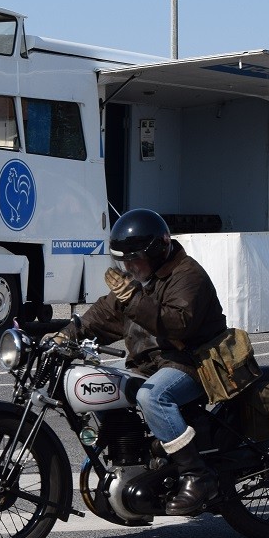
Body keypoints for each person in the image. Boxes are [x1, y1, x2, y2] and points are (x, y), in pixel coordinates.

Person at [56, 209, 228, 516]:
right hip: (153, 366)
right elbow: (102, 315)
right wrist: (66, 335)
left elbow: (178, 325)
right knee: (108, 386)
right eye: (124, 261)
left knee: (153, 396)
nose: (130, 267)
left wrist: (132, 298)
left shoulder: (188, 275)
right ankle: (131, 471)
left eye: (135, 259)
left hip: (194, 363)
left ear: (158, 251)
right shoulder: (139, 281)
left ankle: (197, 476)